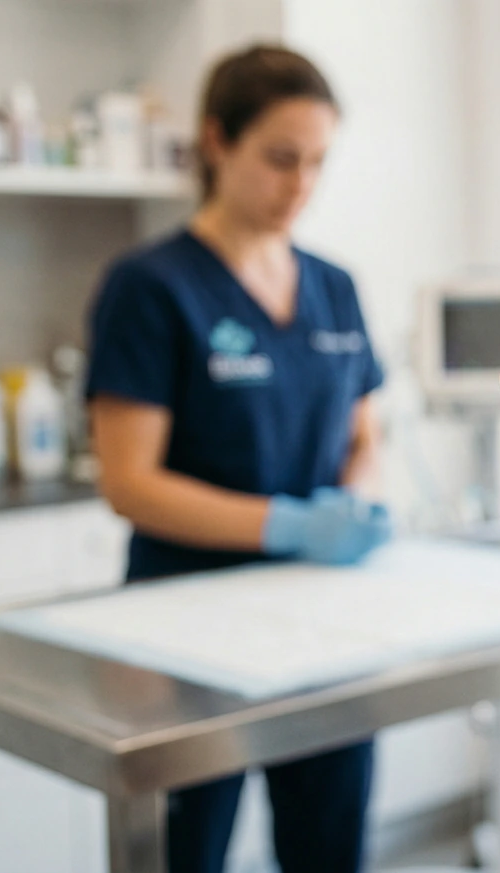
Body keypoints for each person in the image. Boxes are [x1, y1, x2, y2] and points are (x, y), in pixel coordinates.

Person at [85, 46, 391, 873]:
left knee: (329, 844)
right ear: (216, 143)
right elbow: (128, 481)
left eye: (318, 162)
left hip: (320, 624)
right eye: (280, 158)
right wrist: (286, 524)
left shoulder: (334, 286)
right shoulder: (150, 286)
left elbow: (365, 434)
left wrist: (354, 503)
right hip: (182, 628)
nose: (300, 185)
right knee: (184, 851)